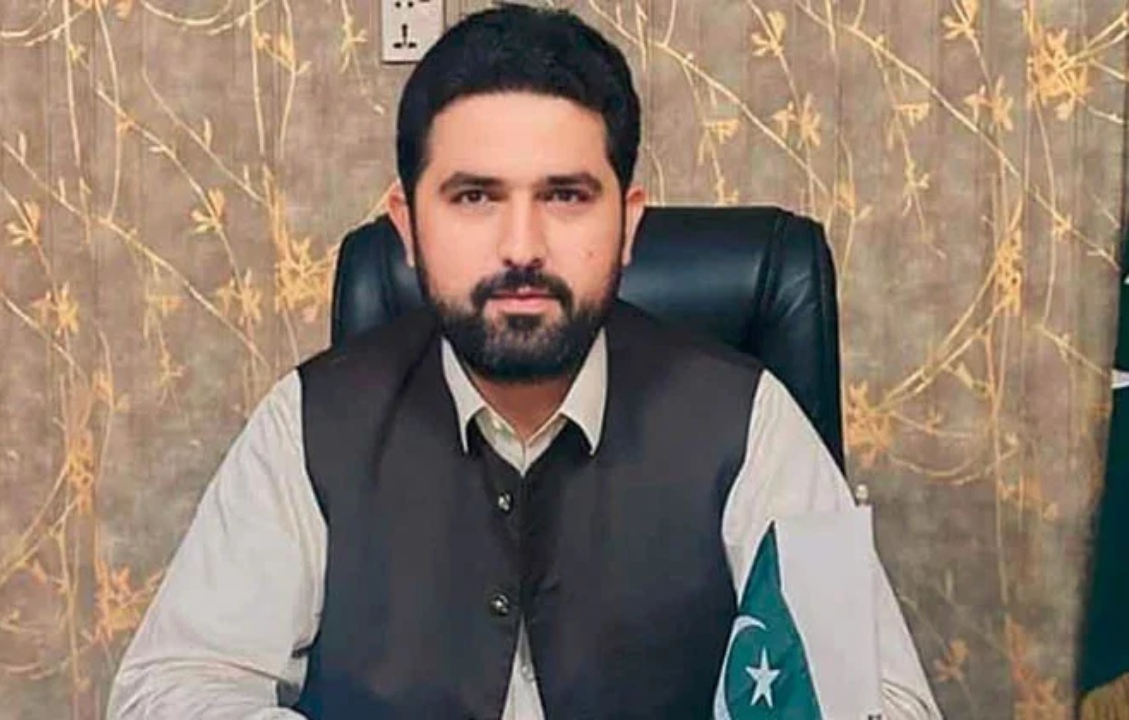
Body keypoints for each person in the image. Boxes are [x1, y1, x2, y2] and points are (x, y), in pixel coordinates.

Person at [107, 5, 941, 718]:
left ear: (628, 223)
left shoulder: (750, 420)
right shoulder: (311, 422)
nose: (521, 247)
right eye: (474, 197)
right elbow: (172, 689)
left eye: (565, 196)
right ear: (407, 225)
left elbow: (878, 702)